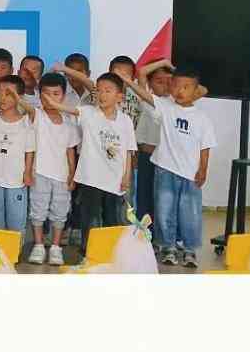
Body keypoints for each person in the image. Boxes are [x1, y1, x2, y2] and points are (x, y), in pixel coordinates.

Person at [122, 60, 213, 268]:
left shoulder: (202, 118)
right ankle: (167, 247)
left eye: (186, 87)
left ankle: (189, 249)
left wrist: (203, 170)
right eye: (177, 86)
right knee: (164, 211)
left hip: (190, 174)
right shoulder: (165, 107)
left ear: (195, 91)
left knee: (190, 213)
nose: (180, 91)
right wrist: (127, 81)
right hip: (165, 170)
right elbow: (144, 94)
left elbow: (205, 147)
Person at [49, 72, 136, 250]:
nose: (102, 95)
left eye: (108, 91)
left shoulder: (125, 121)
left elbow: (128, 151)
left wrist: (126, 175)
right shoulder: (88, 113)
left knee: (112, 219)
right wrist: (51, 101)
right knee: (90, 218)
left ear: (119, 96)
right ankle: (88, 253)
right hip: (91, 179)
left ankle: (110, 253)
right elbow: (68, 109)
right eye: (99, 90)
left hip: (114, 181)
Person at [0, 75, 35, 250]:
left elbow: (29, 151)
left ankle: (13, 252)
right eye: (0, 93)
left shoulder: (26, 122)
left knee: (16, 218)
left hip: (17, 180)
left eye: (8, 94)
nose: (2, 97)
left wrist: (27, 172)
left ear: (19, 97)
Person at [27, 73, 80, 266]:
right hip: (40, 173)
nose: (50, 98)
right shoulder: (37, 115)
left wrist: (72, 174)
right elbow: (26, 106)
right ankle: (39, 245)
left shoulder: (69, 122)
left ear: (63, 96)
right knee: (38, 209)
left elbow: (70, 151)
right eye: (46, 94)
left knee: (60, 210)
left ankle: (56, 247)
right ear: (39, 95)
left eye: (56, 94)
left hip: (62, 175)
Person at [134, 63, 173, 230]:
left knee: (163, 199)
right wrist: (164, 62)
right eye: (159, 81)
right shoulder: (146, 100)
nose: (165, 85)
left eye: (169, 81)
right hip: (147, 157)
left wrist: (175, 72)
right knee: (145, 197)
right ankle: (144, 234)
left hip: (166, 160)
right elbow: (142, 73)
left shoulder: (175, 104)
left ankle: (162, 235)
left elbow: (201, 89)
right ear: (149, 84)